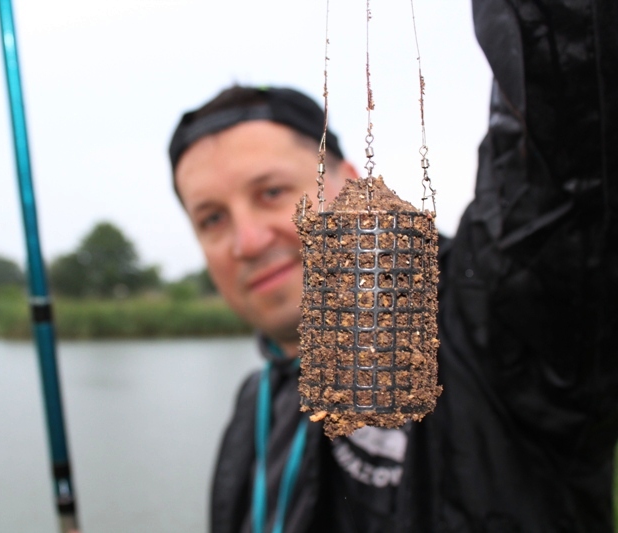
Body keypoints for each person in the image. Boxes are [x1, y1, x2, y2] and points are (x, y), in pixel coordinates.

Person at [168, 1, 618, 531]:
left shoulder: (486, 319)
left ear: (353, 185)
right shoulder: (255, 404)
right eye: (212, 219)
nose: (246, 241)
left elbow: (568, 115)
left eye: (271, 192)